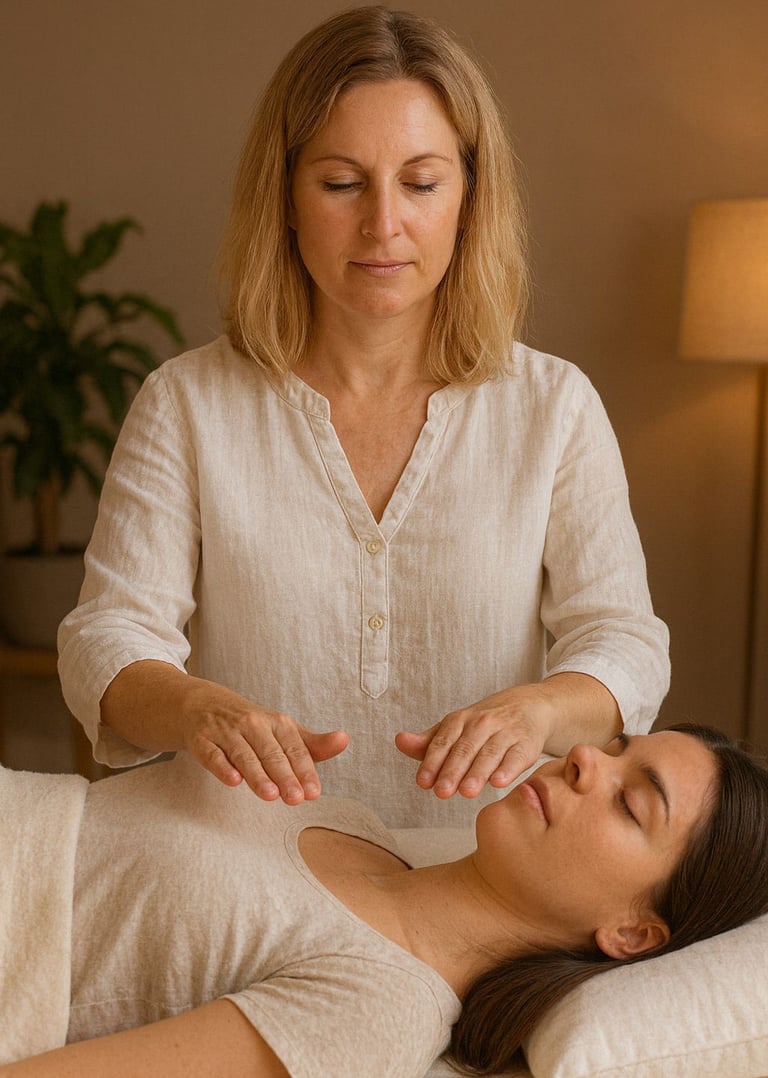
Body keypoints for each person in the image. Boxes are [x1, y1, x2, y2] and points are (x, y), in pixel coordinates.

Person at [57, 6, 670, 828]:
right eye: (341, 183)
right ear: (285, 197)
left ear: (468, 198)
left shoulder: (553, 408)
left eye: (421, 183)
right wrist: (198, 707)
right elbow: (105, 641)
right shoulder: (186, 403)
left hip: (479, 878)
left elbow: (625, 646)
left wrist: (542, 713)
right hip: (243, 878)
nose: (384, 223)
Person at [1, 724, 767, 1077]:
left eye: (633, 805)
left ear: (632, 934)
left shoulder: (379, 1012)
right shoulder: (352, 822)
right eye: (620, 748)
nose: (587, 760)